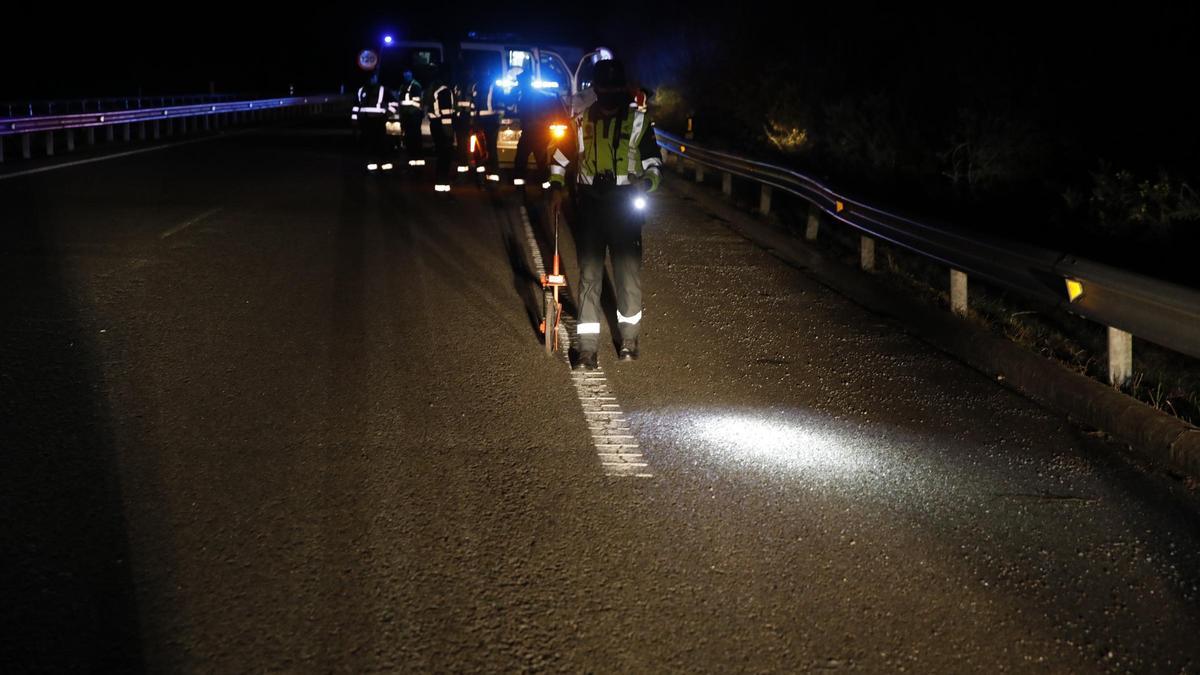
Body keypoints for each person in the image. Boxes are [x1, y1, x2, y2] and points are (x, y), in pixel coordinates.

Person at [547, 59, 663, 369]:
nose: (610, 95)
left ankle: (629, 339)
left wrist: (647, 182)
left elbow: (653, 162)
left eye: (615, 89)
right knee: (589, 277)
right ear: (596, 90)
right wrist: (557, 186)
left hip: (625, 205)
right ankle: (587, 349)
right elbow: (558, 157)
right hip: (592, 206)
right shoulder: (581, 121)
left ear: (622, 89)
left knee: (628, 276)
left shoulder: (639, 122)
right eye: (605, 88)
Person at [511, 69, 551, 188]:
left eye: (520, 81)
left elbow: (531, 114)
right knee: (537, 162)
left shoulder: (529, 96)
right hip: (536, 133)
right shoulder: (530, 95)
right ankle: (544, 187)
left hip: (534, 133)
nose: (518, 84)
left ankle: (522, 187)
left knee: (523, 160)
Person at [425, 68, 456, 192]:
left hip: (435, 125)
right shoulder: (444, 91)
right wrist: (449, 133)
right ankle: (443, 184)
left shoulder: (433, 88)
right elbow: (446, 114)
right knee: (445, 156)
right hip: (443, 127)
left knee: (440, 155)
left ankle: (440, 181)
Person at [356, 74, 394, 172]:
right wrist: (356, 119)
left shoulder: (383, 89)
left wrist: (386, 114)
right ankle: (372, 165)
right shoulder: (361, 90)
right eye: (370, 78)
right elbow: (357, 105)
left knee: (381, 142)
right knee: (369, 143)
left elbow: (393, 103)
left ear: (377, 78)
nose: (372, 79)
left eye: (374, 77)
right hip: (366, 121)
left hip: (379, 121)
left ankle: (385, 165)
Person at [398, 69, 425, 168]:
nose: (406, 76)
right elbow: (401, 102)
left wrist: (409, 114)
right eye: (405, 74)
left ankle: (417, 165)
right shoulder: (403, 86)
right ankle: (412, 163)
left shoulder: (415, 86)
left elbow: (417, 103)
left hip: (413, 116)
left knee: (415, 140)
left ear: (411, 75)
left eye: (408, 74)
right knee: (409, 141)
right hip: (406, 116)